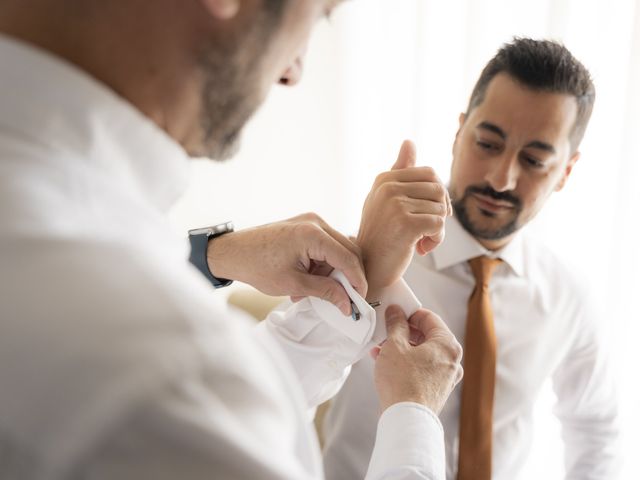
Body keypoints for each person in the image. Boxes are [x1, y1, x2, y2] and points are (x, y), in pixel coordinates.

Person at [0, 1, 463, 479]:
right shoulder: (171, 373)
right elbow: (198, 393)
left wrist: (218, 257)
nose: (293, 71)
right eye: (316, 15)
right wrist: (415, 413)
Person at [322, 38, 620, 480]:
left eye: (535, 159)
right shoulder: (372, 254)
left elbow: (596, 431)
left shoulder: (569, 296)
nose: (501, 178)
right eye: (487, 143)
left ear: (566, 172)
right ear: (459, 133)